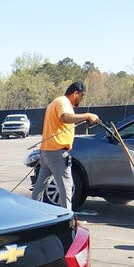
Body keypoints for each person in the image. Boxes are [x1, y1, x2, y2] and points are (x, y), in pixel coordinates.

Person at [31, 81, 99, 210]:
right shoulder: (64, 102)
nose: (81, 99)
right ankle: (67, 220)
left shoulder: (54, 102)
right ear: (75, 93)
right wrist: (88, 115)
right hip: (57, 151)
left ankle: (32, 213)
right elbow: (65, 117)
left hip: (47, 151)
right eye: (81, 95)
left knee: (40, 187)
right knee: (66, 186)